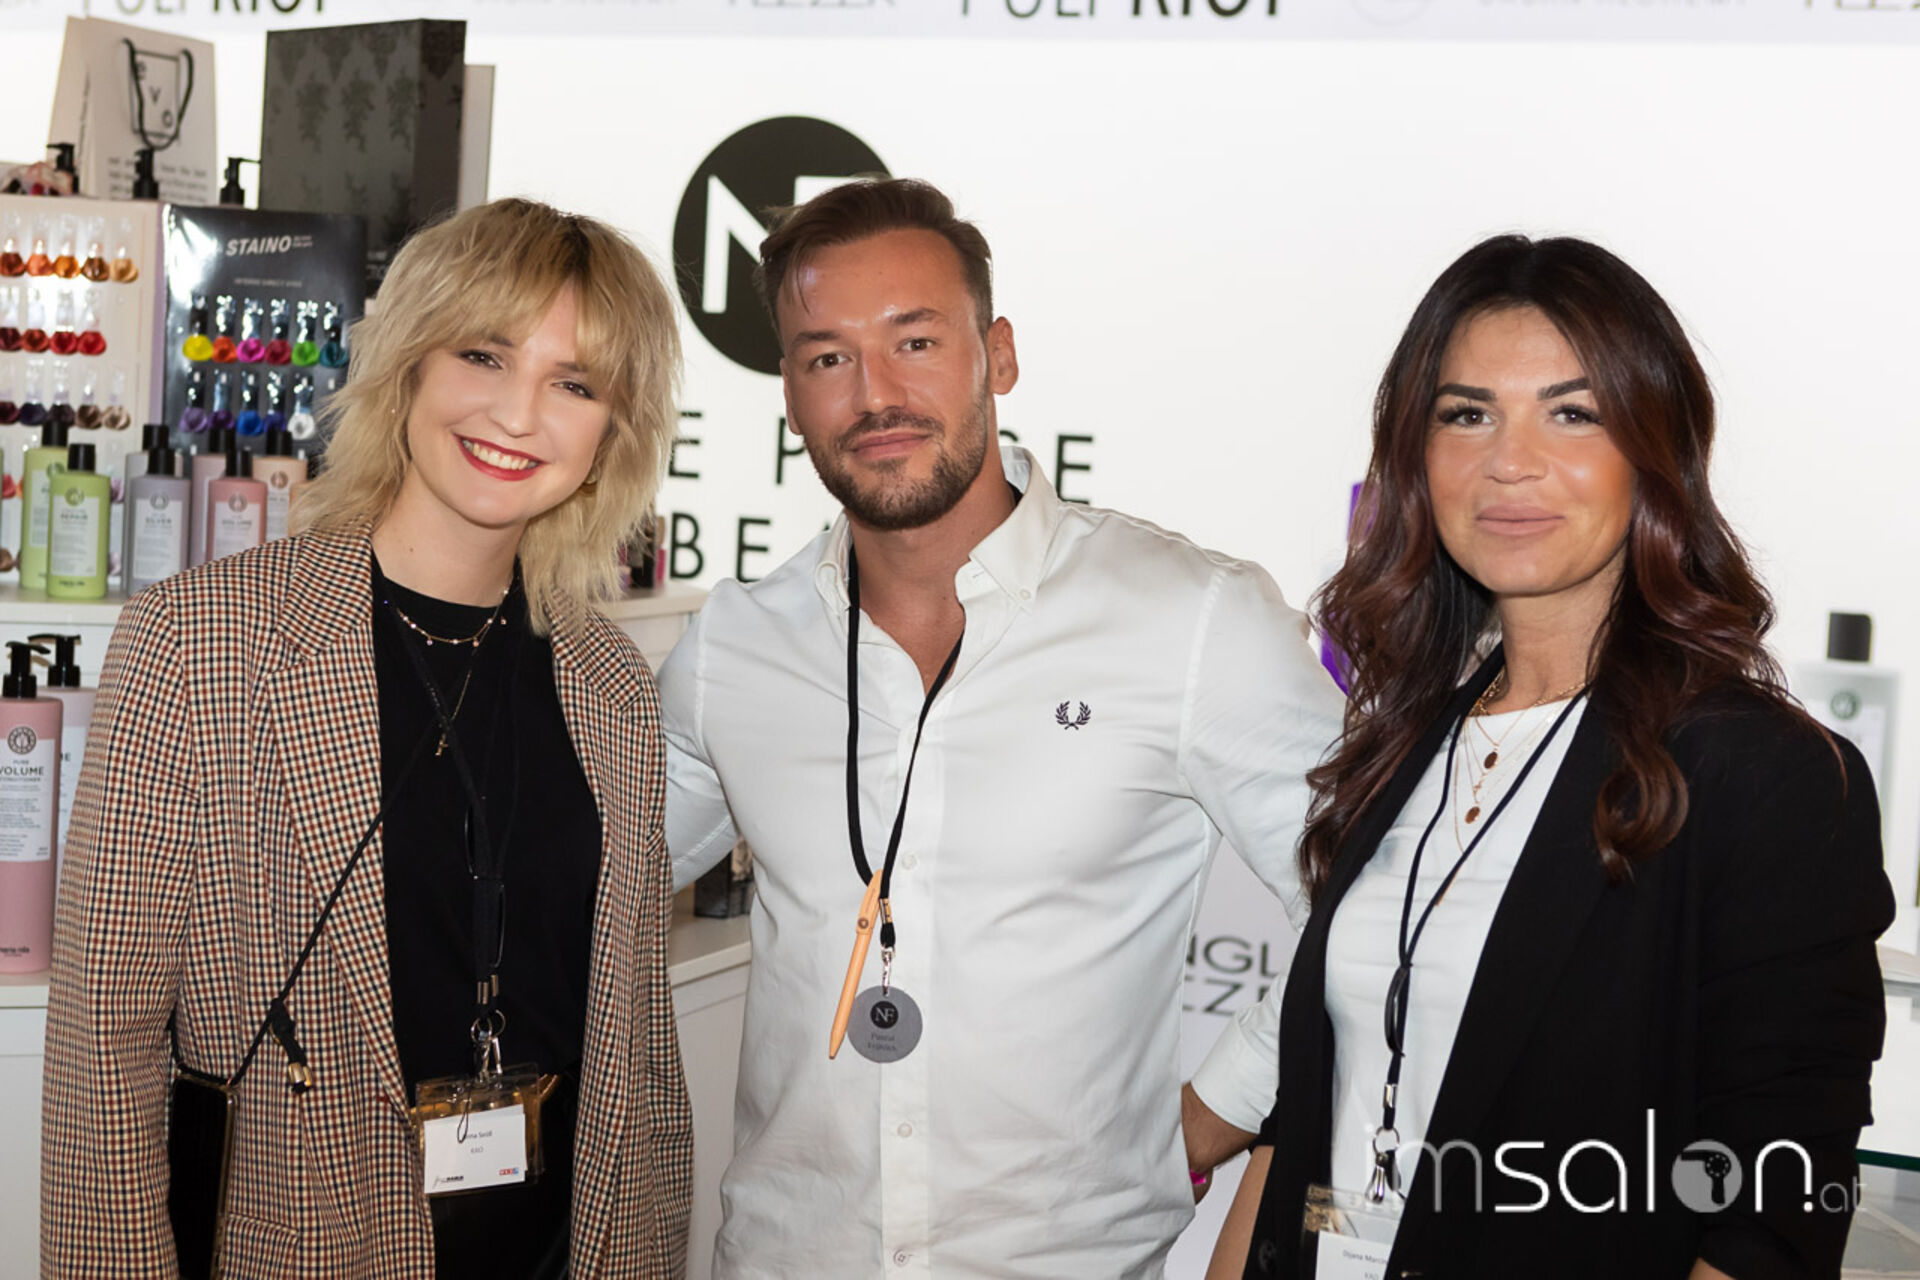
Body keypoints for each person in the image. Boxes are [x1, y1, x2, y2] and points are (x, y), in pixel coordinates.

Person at [660, 176, 1346, 1276]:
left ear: (999, 355)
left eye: (915, 341)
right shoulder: (737, 645)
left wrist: (1214, 1112)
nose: (875, 394)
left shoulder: (1188, 617)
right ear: (788, 393)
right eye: (828, 357)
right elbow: (589, 881)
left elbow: (1373, 891)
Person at [1209, 235, 1894, 1280]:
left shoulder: (1763, 775)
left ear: (1657, 450)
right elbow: (1311, 1105)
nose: (1509, 461)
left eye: (1572, 414)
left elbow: (1777, 1200)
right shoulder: (1403, 739)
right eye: (1466, 414)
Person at [40, 198, 693, 1278]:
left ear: (611, 436)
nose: (519, 414)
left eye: (575, 384)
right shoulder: (203, 642)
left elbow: (641, 1052)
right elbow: (102, 1047)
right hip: (308, 1241)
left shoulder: (609, 680)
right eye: (485, 355)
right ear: (409, 363)